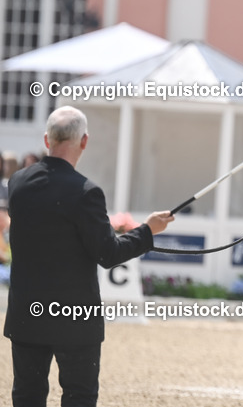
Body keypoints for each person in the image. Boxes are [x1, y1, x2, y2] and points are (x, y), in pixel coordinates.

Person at [4, 106, 174, 407]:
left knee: (27, 397)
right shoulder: (86, 192)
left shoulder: (17, 184)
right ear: (84, 142)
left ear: (47, 140)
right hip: (74, 318)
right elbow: (108, 253)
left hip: (28, 314)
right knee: (79, 397)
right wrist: (148, 231)